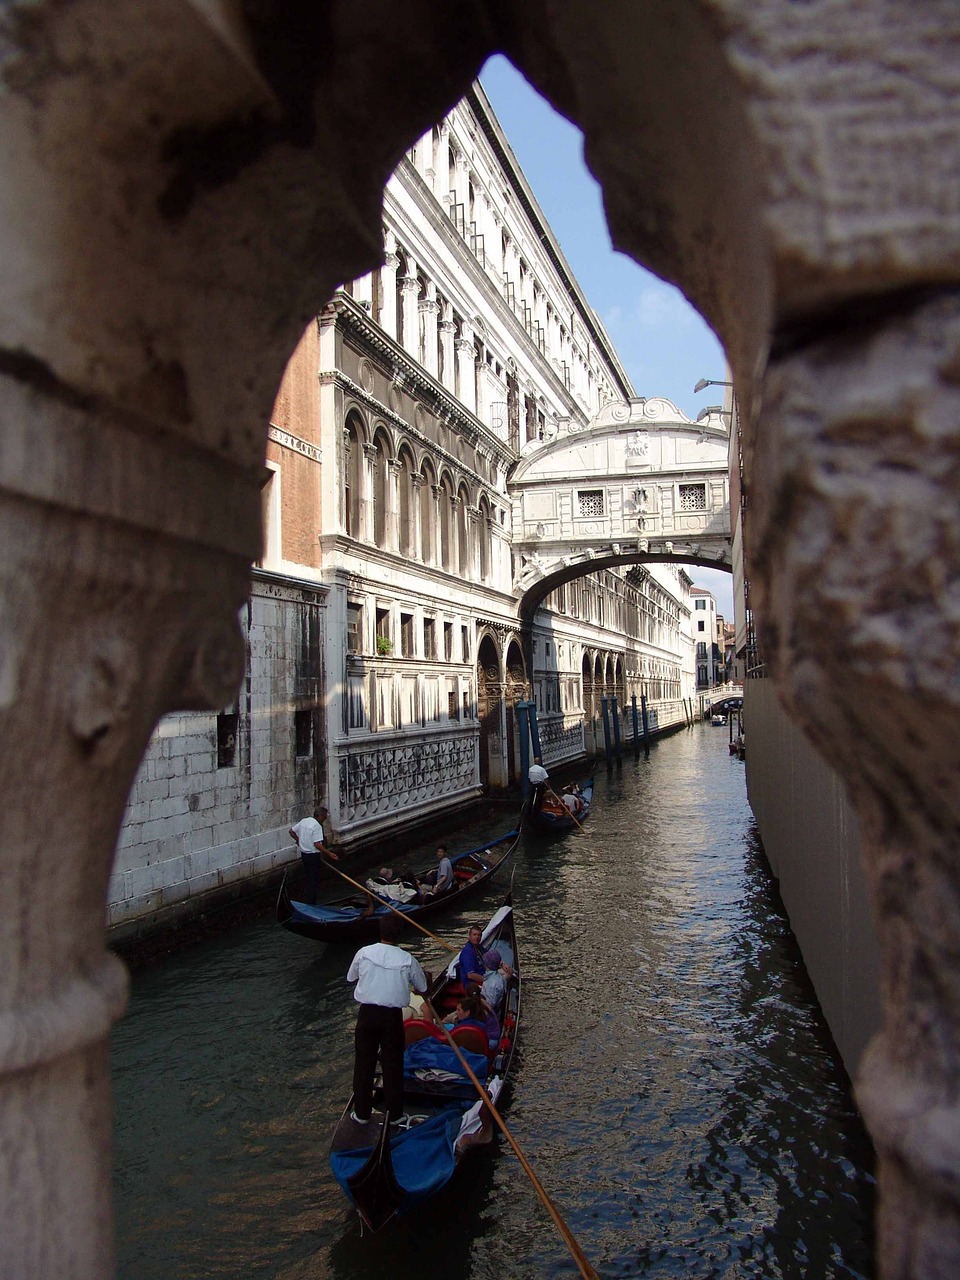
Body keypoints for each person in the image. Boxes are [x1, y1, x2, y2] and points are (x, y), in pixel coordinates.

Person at [346, 914, 428, 1125]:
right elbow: (423, 987)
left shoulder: (364, 953)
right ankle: (395, 1115)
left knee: (364, 1063)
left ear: (379, 931)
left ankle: (362, 1114)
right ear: (399, 934)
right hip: (391, 1018)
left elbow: (350, 978)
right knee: (393, 1065)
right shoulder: (407, 959)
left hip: (367, 1016)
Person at [288, 805, 338, 905]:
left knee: (308, 878)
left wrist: (299, 840)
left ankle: (308, 901)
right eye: (324, 817)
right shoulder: (317, 826)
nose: (324, 819)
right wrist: (329, 854)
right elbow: (317, 844)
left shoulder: (304, 821)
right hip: (313, 857)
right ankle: (311, 904)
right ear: (320, 816)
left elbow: (291, 831)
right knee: (313, 881)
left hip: (304, 855)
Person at [457, 923, 486, 988]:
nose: (477, 937)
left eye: (479, 935)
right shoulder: (468, 952)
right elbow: (470, 975)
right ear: (469, 936)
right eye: (474, 935)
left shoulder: (478, 947)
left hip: (483, 975)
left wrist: (502, 963)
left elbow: (487, 954)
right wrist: (488, 980)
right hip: (472, 984)